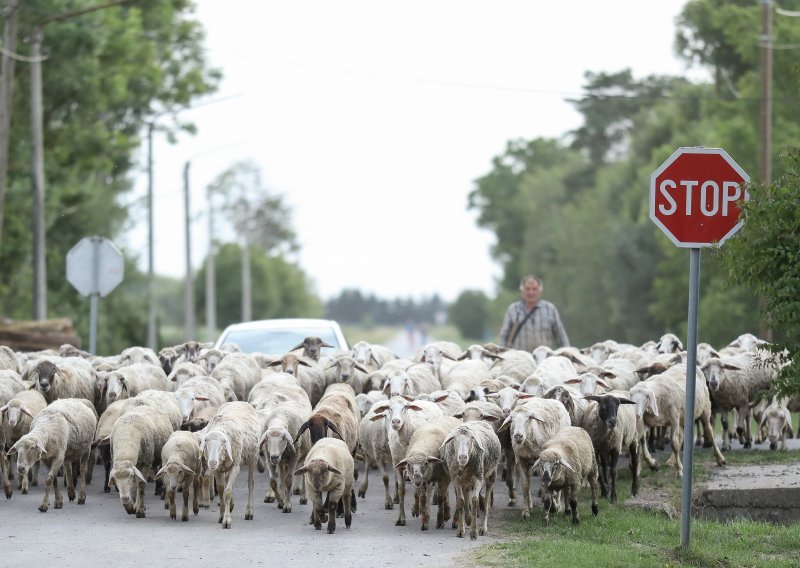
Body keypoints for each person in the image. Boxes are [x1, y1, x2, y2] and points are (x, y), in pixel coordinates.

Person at [498, 275, 569, 352]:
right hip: (520, 359)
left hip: (544, 358)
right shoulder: (513, 309)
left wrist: (567, 354)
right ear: (522, 291)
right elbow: (504, 336)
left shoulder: (550, 309)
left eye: (534, 289)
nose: (531, 292)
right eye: (527, 289)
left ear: (540, 291)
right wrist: (501, 355)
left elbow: (561, 336)